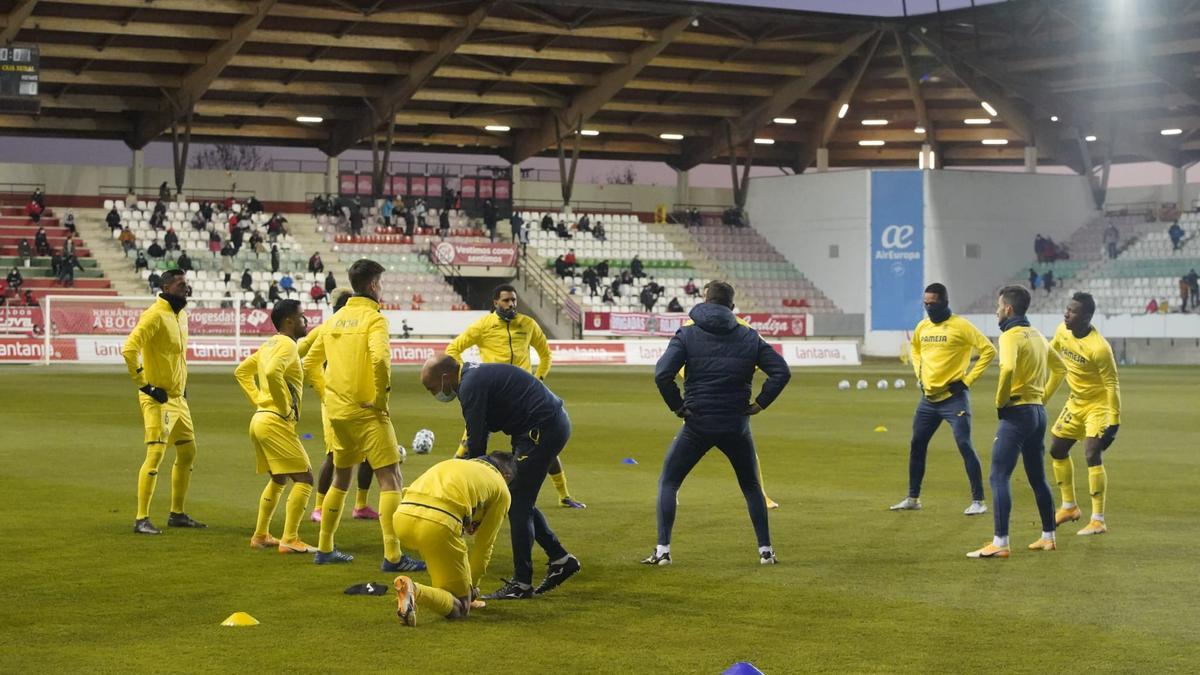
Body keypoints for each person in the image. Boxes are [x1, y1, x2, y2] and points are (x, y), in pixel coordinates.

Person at [645, 281, 791, 566]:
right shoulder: (750, 336)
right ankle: (766, 552)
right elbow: (781, 372)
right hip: (736, 424)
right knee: (750, 486)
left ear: (704, 300)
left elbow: (663, 374)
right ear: (732, 307)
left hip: (697, 423)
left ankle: (663, 551)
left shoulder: (687, 333)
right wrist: (760, 403)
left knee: (669, 482)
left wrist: (678, 406)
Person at [421, 354, 581, 599]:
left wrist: (472, 483)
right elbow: (479, 435)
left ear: (445, 377)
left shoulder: (470, 385)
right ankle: (560, 558)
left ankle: (522, 584)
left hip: (541, 430)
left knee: (517, 503)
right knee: (518, 499)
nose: (434, 394)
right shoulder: (472, 377)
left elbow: (477, 441)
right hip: (546, 425)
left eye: (431, 388)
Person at [300, 259, 424, 570]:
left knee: (342, 477)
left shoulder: (333, 321)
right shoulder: (374, 320)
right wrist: (380, 399)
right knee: (390, 478)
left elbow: (308, 365)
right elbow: (381, 360)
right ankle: (393, 556)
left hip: (338, 412)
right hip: (368, 412)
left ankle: (325, 547)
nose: (381, 289)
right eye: (380, 283)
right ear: (372, 285)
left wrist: (327, 394)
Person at [445, 284, 584, 509]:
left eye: (513, 300)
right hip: (491, 397)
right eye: (506, 300)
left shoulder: (527, 325)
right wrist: (467, 378)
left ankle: (564, 494)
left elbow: (545, 354)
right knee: (469, 444)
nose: (511, 304)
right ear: (495, 302)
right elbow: (452, 349)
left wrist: (538, 379)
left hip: (522, 400)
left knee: (543, 444)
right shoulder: (483, 325)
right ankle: (449, 486)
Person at [967, 286, 1058, 558]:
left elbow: (1006, 368)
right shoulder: (1039, 336)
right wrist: (1043, 397)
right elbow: (1061, 368)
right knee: (1038, 477)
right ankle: (1048, 536)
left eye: (998, 306)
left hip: (1017, 412)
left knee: (998, 475)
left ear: (1008, 309)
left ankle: (1001, 542)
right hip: (1038, 413)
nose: (996, 310)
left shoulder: (1009, 336)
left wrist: (1000, 400)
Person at [891, 283, 996, 515]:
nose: (929, 308)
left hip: (953, 399)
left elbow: (989, 350)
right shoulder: (923, 326)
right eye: (925, 303)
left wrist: (967, 381)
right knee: (917, 444)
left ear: (945, 303)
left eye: (933, 303)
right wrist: (919, 373)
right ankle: (913, 497)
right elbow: (915, 349)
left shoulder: (961, 326)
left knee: (964, 444)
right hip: (928, 400)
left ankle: (978, 501)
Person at [121, 269, 204, 534]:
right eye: (181, 285)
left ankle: (177, 514)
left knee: (188, 451)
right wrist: (145, 385)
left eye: (186, 284)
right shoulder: (154, 315)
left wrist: (183, 386)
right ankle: (141, 518)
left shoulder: (181, 316)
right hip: (157, 398)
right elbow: (129, 348)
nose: (186, 289)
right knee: (155, 453)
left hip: (178, 398)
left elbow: (177, 358)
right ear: (166, 287)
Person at [391, 452, 516, 626]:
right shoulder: (501, 488)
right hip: (437, 525)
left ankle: (433, 593)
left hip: (401, 518)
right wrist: (471, 588)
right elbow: (484, 546)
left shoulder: (455, 464)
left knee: (448, 585)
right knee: (461, 607)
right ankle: (413, 589)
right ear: (506, 476)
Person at [233, 299, 317, 554]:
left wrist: (259, 399)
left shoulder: (268, 345)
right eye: (302, 317)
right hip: (275, 421)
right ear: (289, 321)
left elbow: (241, 372)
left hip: (260, 419)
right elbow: (271, 373)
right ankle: (290, 539)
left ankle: (261, 535)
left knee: (279, 478)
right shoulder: (287, 345)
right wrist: (283, 407)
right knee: (304, 478)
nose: (306, 322)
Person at [1044, 292, 1122, 537]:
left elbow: (1112, 384)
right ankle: (1069, 507)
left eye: (1073, 311)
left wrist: (1114, 421)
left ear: (1087, 317)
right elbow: (1049, 358)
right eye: (1067, 309)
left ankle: (1098, 519)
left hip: (1098, 405)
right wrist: (1041, 396)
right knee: (1057, 449)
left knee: (1091, 453)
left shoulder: (1099, 348)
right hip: (1075, 402)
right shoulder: (1061, 331)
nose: (1067, 314)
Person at [302, 291, 381, 526]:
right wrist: (324, 392)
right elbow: (304, 353)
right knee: (334, 454)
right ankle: (318, 506)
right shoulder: (327, 328)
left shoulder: (360, 327)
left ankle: (361, 504)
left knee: (369, 453)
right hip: (335, 402)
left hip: (360, 400)